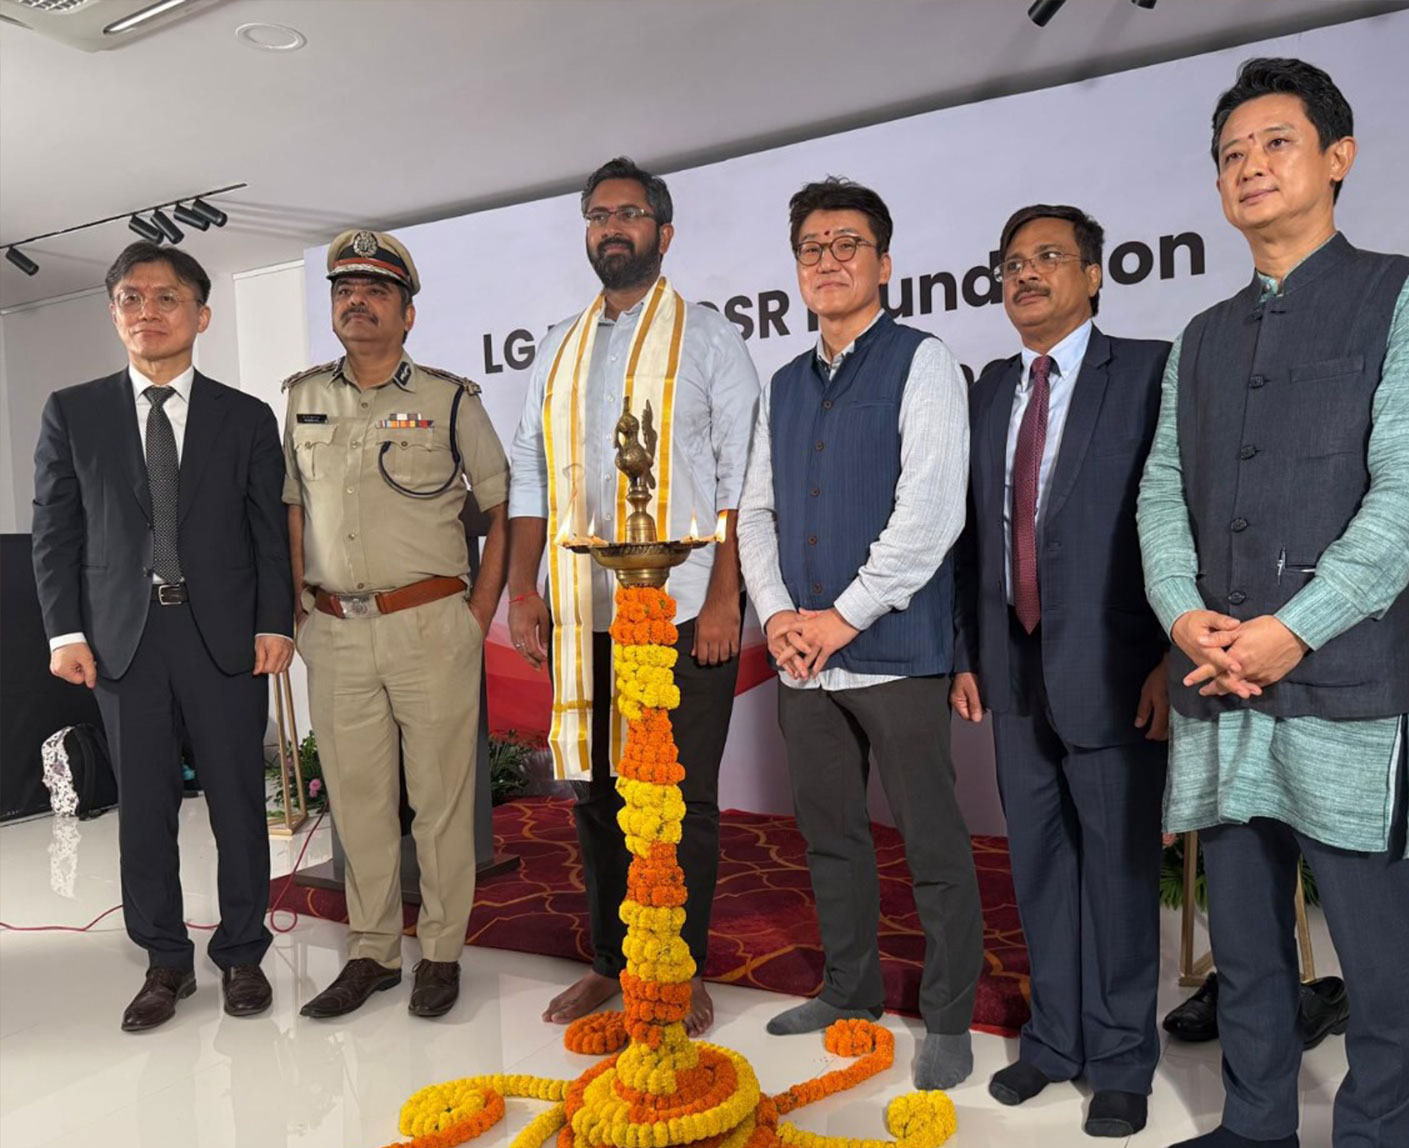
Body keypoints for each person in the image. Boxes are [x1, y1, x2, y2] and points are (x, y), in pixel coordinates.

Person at [1137, 58, 1409, 1148]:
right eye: (1230, 153)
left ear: (1337, 157)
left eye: (1274, 143)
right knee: (1242, 934)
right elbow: (1160, 496)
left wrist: (1295, 628)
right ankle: (1257, 1122)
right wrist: (1184, 615)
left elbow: (1408, 496)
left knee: (1378, 959)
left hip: (1345, 680)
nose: (1248, 166)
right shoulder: (1198, 332)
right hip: (1219, 679)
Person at [506, 157, 759, 1037]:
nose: (614, 227)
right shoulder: (557, 347)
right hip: (583, 614)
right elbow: (532, 473)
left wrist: (729, 594)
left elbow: (739, 475)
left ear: (664, 231)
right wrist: (519, 589)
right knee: (595, 793)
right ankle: (617, 963)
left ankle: (677, 964)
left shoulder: (712, 341)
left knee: (678, 796)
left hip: (687, 607)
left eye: (631, 213)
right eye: (599, 215)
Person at [740, 177, 982, 1090]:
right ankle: (850, 989)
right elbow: (755, 513)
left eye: (848, 244)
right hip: (805, 661)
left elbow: (929, 515)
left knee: (932, 842)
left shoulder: (924, 362)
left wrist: (839, 619)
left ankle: (950, 1016)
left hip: (894, 652)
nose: (829, 260)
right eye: (813, 247)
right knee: (830, 835)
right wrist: (779, 620)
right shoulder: (785, 382)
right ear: (797, 270)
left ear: (883, 262)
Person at [32, 241, 292, 1031]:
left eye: (166, 298)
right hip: (122, 643)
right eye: (131, 298)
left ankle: (243, 952)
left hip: (223, 639)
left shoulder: (244, 417)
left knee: (239, 803)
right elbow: (57, 533)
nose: (147, 311)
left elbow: (267, 533)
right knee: (142, 808)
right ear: (114, 314)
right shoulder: (71, 411)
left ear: (200, 315)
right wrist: (64, 632)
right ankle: (164, 963)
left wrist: (276, 622)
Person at [950, 204, 1169, 1134]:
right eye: (1011, 262)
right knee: (1037, 863)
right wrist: (967, 653)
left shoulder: (1151, 372)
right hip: (1012, 667)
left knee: (1118, 871)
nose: (1026, 275)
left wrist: (1168, 654)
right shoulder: (992, 386)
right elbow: (972, 537)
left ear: (1093, 275)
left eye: (1048, 258)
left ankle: (1122, 1056)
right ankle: (1055, 1040)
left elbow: (1179, 519)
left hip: (1120, 670)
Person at [287, 230, 509, 1020]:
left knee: (442, 797)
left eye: (376, 291)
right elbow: (290, 509)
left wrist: (479, 612)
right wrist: (295, 611)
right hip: (335, 632)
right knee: (356, 799)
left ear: (407, 314)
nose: (358, 301)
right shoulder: (303, 398)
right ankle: (373, 953)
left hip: (429, 625)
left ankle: (442, 952)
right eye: (345, 288)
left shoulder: (449, 400)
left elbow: (498, 504)